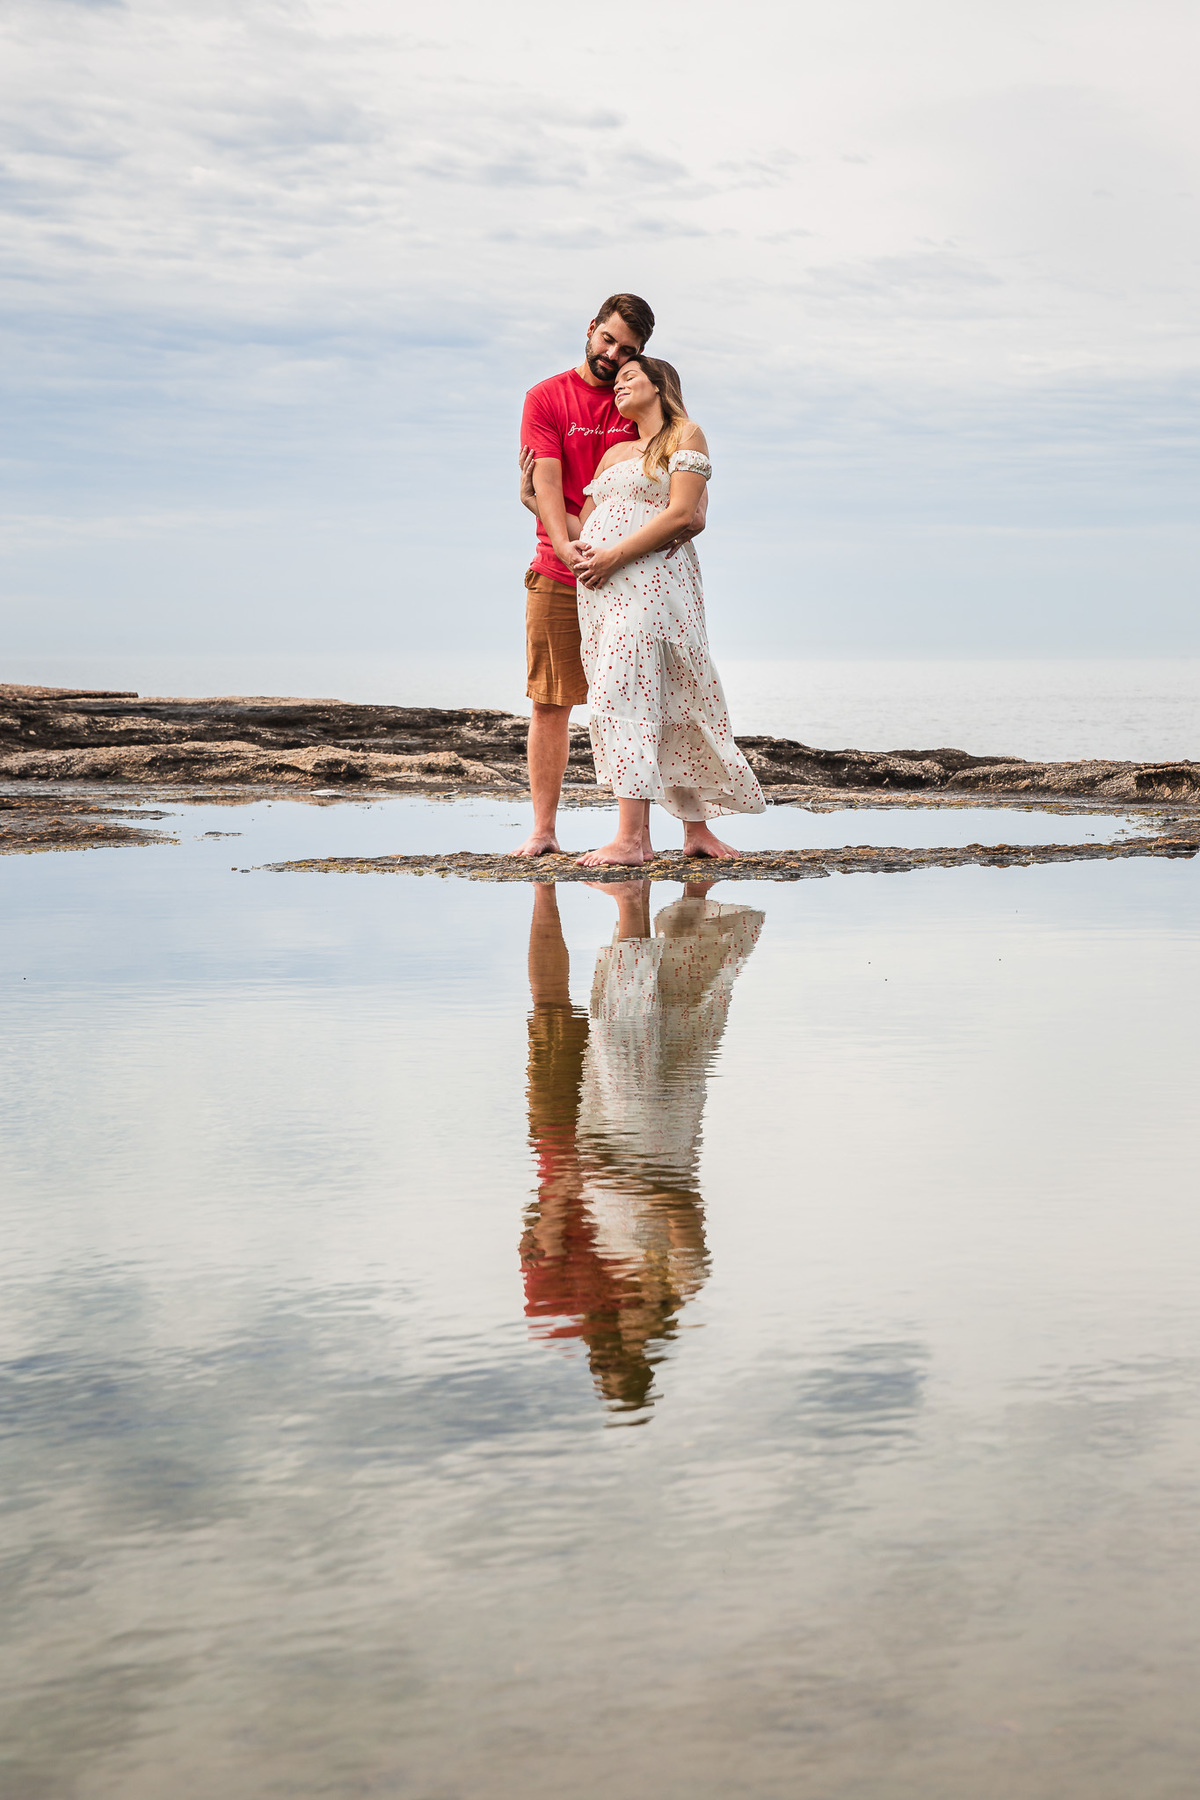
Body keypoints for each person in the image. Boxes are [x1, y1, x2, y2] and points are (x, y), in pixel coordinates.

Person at [521, 878, 763, 1414]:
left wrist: (579, 1180)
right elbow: (679, 1205)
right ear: (646, 1351)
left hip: (600, 1141)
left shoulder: (606, 1282)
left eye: (608, 1359)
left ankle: (635, 907)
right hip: (656, 1141)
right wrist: (615, 1182)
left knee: (617, 1030)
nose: (620, 1345)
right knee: (665, 1026)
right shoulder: (684, 1280)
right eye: (625, 1358)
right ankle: (678, 907)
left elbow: (559, 1226)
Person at [514, 295, 706, 859]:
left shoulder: (637, 402)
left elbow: (681, 487)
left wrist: (691, 517)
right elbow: (548, 485)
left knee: (646, 695)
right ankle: (544, 831)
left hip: (637, 581)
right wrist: (569, 549)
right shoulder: (547, 397)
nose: (614, 356)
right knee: (552, 701)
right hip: (561, 565)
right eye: (608, 340)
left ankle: (649, 835)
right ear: (591, 328)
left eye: (629, 352)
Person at [569, 356, 766, 866]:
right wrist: (533, 501)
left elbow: (684, 512)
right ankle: (685, 834)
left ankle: (635, 839)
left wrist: (615, 555)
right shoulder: (613, 453)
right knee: (627, 690)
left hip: (652, 582)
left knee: (655, 688)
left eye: (630, 377)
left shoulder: (686, 435)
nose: (618, 386)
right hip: (602, 590)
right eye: (616, 382)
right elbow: (585, 525)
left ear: (659, 386)